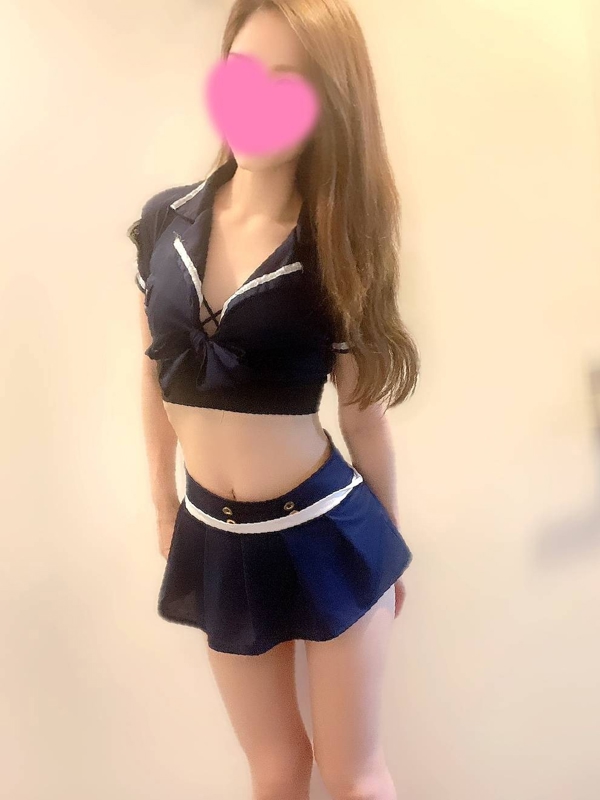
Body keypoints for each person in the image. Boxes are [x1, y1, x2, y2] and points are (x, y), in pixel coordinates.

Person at [128, 1, 420, 798]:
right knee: (276, 767)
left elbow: (363, 416)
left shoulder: (338, 249)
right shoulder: (164, 224)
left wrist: (390, 545)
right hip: (214, 537)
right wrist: (162, 506)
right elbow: (153, 373)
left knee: (352, 774)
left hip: (329, 530)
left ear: (330, 102)